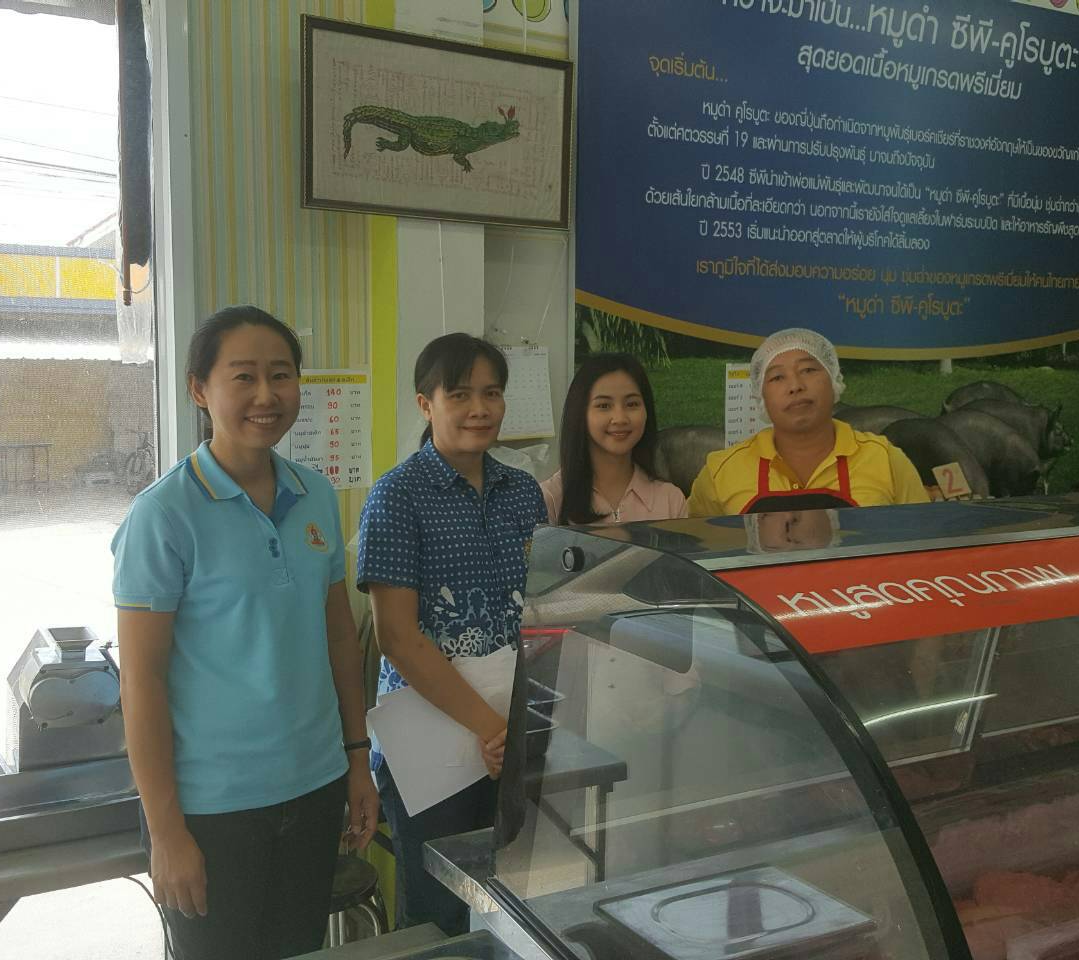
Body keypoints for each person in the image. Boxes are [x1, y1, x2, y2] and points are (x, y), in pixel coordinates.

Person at [111, 306, 379, 960]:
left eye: (281, 375)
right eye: (244, 377)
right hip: (212, 808)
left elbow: (339, 640)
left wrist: (357, 759)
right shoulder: (163, 515)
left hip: (314, 789)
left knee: (298, 949)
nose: (267, 395)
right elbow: (141, 681)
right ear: (199, 390)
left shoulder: (316, 495)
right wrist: (166, 831)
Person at [356, 333, 547, 934]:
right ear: (425, 404)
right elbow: (397, 638)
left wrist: (512, 729)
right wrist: (491, 728)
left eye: (492, 394)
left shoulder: (523, 492)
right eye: (460, 395)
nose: (479, 409)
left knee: (512, 906)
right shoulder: (397, 496)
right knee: (437, 916)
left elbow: (539, 610)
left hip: (510, 733)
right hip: (429, 740)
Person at [688, 328, 929, 515]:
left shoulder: (886, 459)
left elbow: (922, 545)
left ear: (834, 381)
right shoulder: (720, 472)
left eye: (808, 370)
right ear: (761, 396)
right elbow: (696, 552)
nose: (795, 386)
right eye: (777, 377)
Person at [541, 353, 688, 525]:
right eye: (604, 406)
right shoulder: (550, 499)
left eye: (632, 404)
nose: (620, 418)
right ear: (580, 413)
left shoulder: (671, 501)